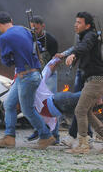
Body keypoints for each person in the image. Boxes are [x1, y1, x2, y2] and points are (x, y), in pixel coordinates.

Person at [0, 11, 55, 149]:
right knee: (9, 104)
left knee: (27, 110)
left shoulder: (4, 38)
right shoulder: (24, 30)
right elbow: (37, 44)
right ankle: (9, 137)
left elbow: (6, 61)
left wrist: (13, 57)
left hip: (26, 77)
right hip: (31, 75)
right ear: (11, 20)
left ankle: (46, 136)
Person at [65, 12, 103, 154]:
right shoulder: (85, 36)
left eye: (79, 22)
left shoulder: (90, 36)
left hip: (96, 81)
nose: (76, 24)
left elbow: (84, 47)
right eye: (75, 22)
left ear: (87, 25)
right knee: (86, 111)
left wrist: (74, 54)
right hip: (93, 81)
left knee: (80, 110)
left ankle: (83, 145)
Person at [28, 15, 60, 143]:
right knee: (36, 105)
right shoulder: (29, 38)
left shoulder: (51, 40)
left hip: (49, 76)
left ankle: (55, 135)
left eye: (36, 27)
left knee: (52, 105)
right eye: (32, 28)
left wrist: (47, 74)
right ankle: (39, 130)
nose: (34, 30)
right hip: (35, 74)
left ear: (42, 26)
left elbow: (55, 60)